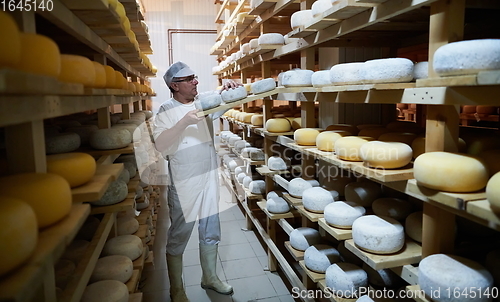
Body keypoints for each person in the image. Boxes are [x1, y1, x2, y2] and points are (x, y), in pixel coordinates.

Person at [153, 61, 241, 302]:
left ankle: (209, 277)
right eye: (189, 79)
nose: (196, 82)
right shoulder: (165, 110)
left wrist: (230, 87)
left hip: (209, 178)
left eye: (195, 77)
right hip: (184, 182)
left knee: (211, 230)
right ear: (174, 86)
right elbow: (161, 145)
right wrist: (185, 122)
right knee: (179, 234)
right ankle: (177, 290)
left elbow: (231, 99)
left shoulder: (203, 102)